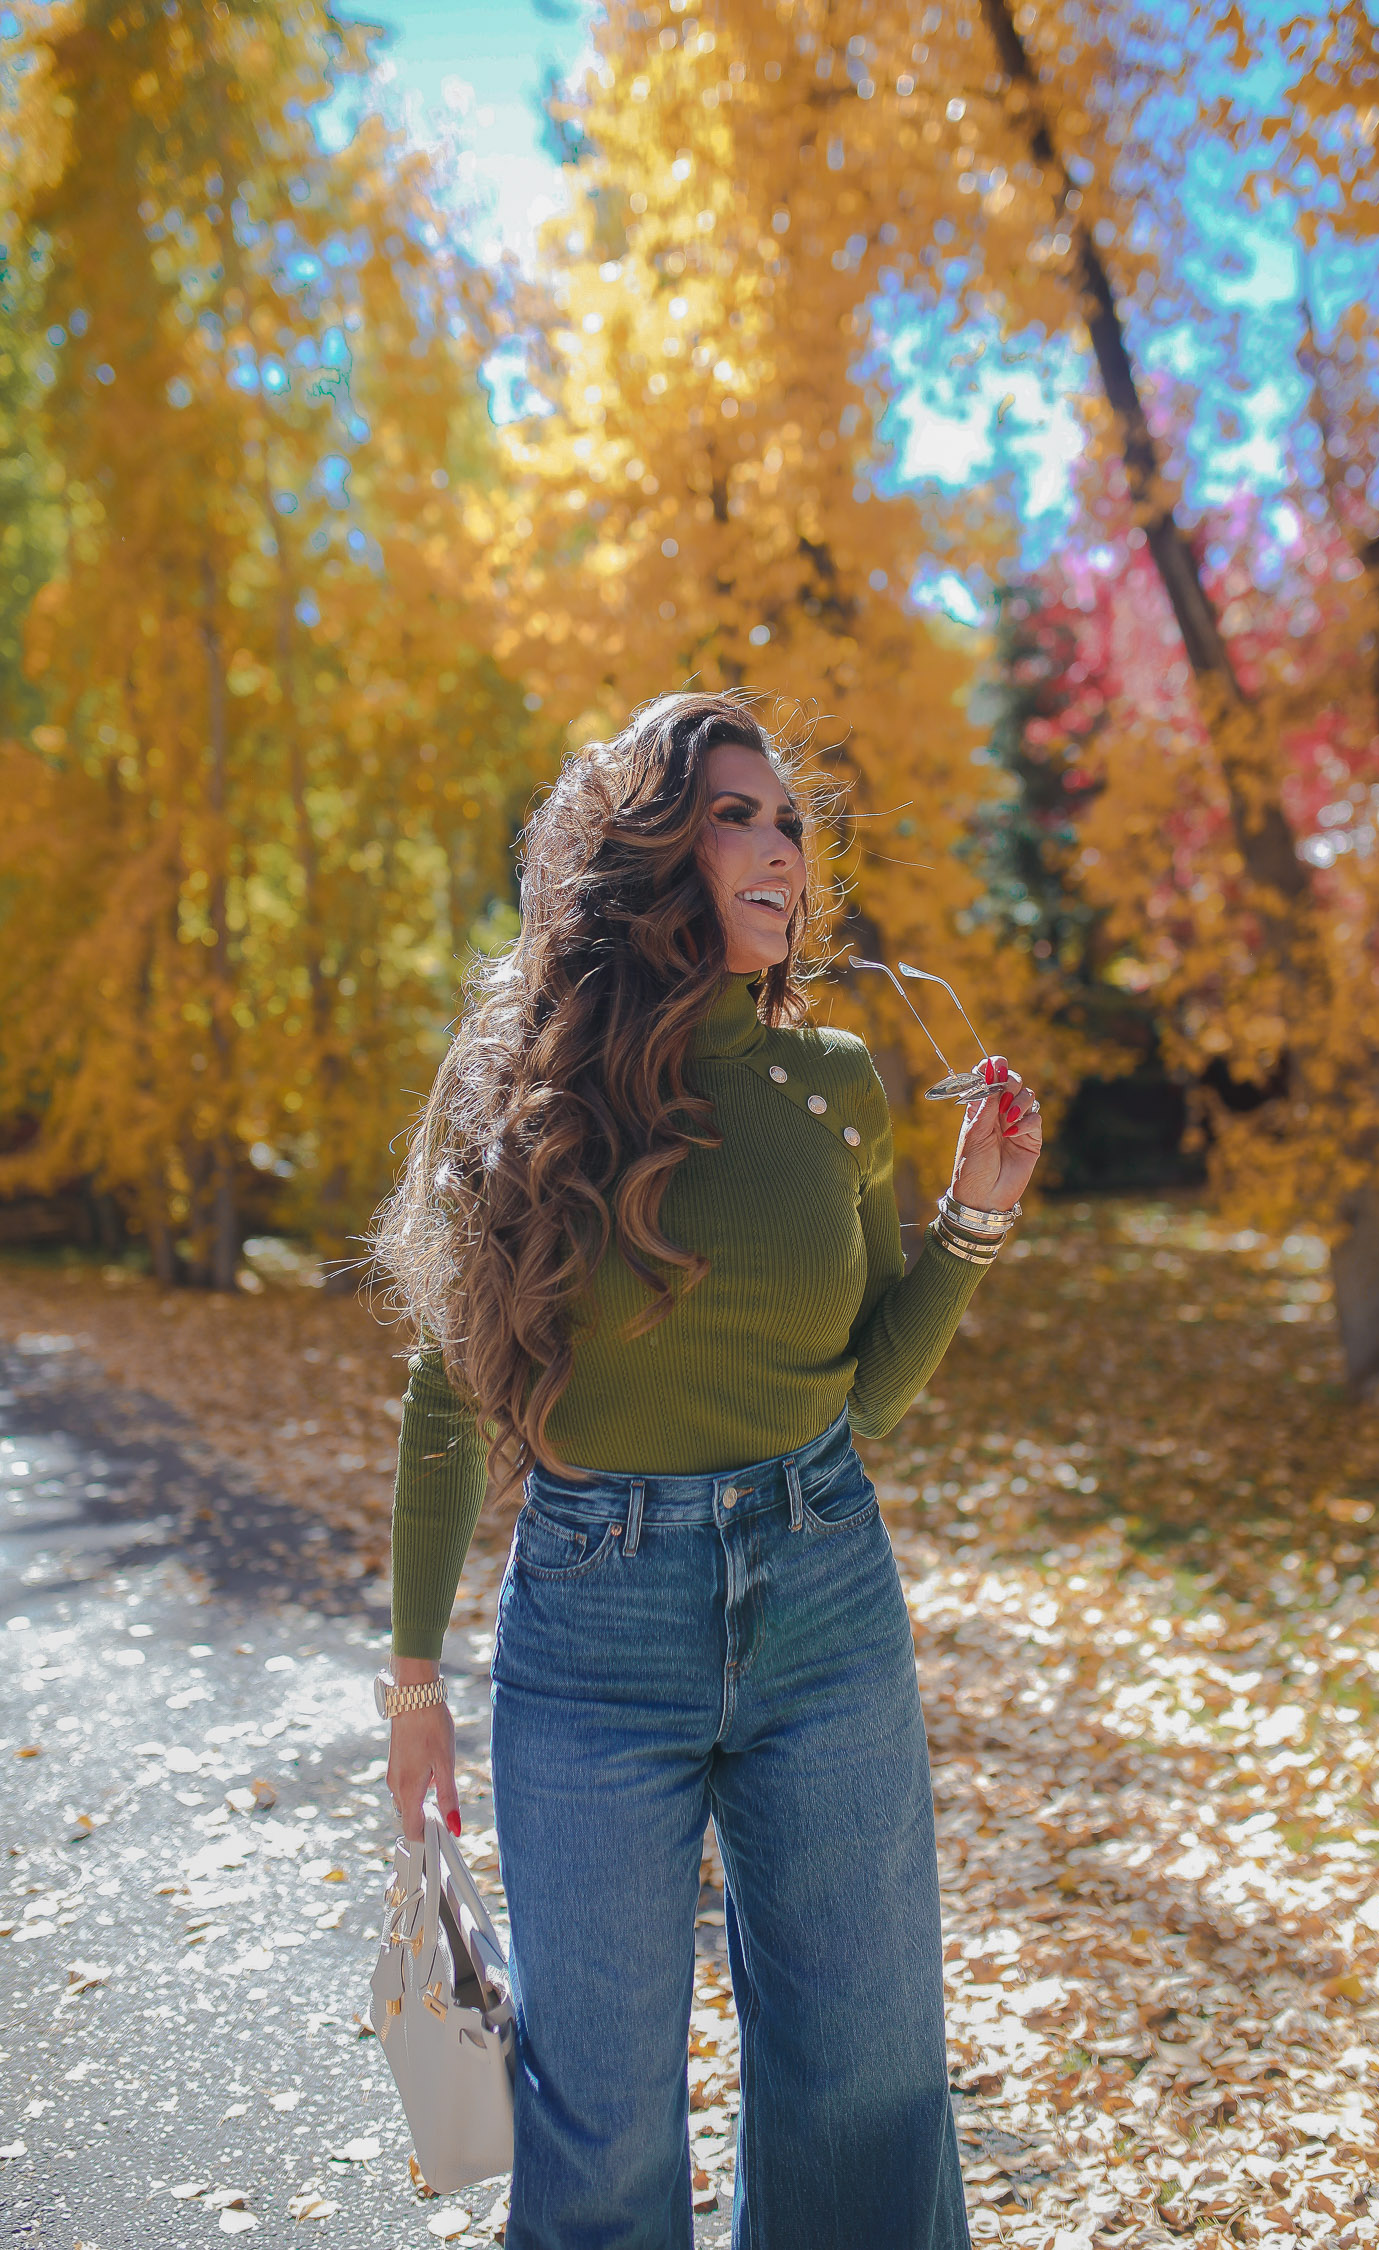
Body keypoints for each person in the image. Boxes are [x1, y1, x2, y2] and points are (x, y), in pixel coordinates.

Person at [372, 691, 1042, 2250]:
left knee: (866, 2092)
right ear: (648, 853)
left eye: (787, 821)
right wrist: (414, 1679)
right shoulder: (529, 1089)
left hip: (824, 1588)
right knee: (597, 2127)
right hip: (597, 1630)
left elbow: (865, 1390)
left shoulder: (841, 1086)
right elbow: (445, 1394)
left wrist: (976, 1217)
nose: (775, 847)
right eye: (731, 814)